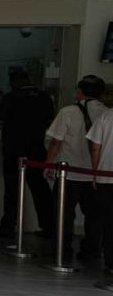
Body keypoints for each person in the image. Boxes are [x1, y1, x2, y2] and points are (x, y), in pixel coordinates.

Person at [44, 76, 106, 260]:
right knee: (94, 217)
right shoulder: (106, 113)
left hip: (68, 174)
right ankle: (91, 249)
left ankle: (61, 249)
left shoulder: (68, 112)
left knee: (63, 215)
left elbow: (56, 141)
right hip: (95, 175)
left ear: (79, 91)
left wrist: (48, 163)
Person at [0, 70, 55, 240]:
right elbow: (50, 121)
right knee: (41, 191)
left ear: (13, 82)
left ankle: (8, 228)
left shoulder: (11, 98)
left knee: (12, 191)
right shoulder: (44, 97)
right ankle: (49, 227)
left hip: (13, 151)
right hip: (37, 150)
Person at [86, 107, 113, 290]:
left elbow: (96, 146)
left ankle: (111, 262)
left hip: (107, 177)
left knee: (109, 221)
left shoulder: (106, 115)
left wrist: (95, 172)